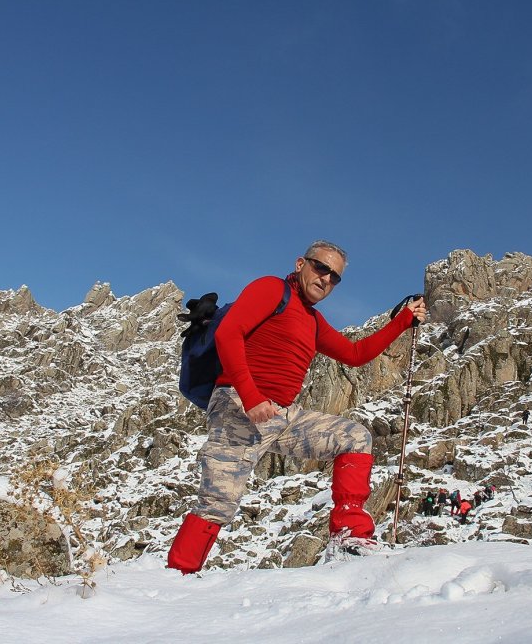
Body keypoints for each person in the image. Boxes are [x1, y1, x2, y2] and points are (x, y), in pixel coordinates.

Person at [166, 241, 427, 574]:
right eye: (321, 268)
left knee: (354, 437)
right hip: (238, 406)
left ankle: (349, 538)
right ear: (301, 264)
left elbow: (355, 354)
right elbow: (229, 333)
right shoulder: (272, 290)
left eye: (335, 277)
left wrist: (403, 320)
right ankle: (180, 576)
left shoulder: (313, 321)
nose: (326, 279)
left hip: (282, 414)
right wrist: (251, 397)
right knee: (217, 501)